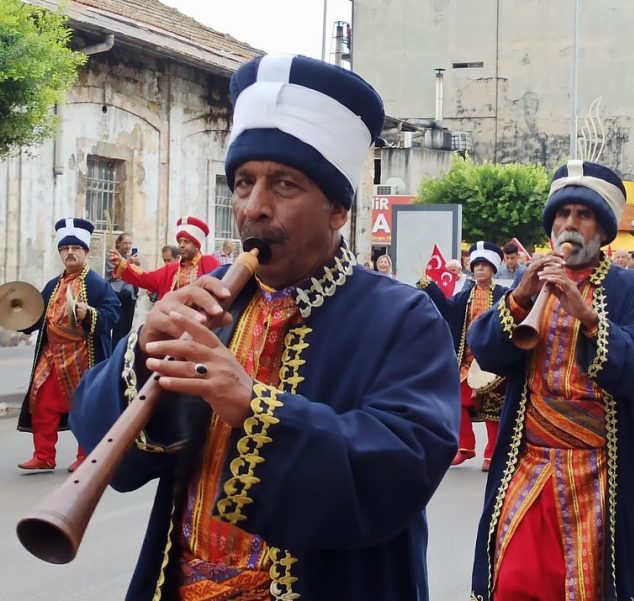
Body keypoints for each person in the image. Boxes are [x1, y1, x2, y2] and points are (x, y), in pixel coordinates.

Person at [70, 54, 459, 600]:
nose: (254, 208)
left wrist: (253, 406)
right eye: (244, 183)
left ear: (338, 210)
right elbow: (102, 443)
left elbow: (404, 462)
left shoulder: (403, 316)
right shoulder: (210, 304)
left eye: (284, 185)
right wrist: (142, 350)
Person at [468, 160, 634, 601]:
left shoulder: (630, 289)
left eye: (583, 215)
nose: (569, 224)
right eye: (562, 214)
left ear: (603, 230)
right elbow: (487, 353)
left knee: (584, 586)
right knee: (514, 579)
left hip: (597, 467)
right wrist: (517, 298)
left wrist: (587, 316)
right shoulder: (528, 282)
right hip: (530, 459)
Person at [17, 218, 120, 472]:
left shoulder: (97, 284)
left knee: (84, 405)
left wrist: (89, 313)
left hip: (83, 353)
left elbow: (113, 313)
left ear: (86, 251)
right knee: (41, 402)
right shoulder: (53, 285)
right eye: (65, 249)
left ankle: (86, 455)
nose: (70, 253)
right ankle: (43, 455)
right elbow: (37, 316)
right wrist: (19, 317)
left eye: (75, 248)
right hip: (51, 354)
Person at [420, 241, 507, 472]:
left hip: (492, 361)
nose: (479, 269)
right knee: (459, 402)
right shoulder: (465, 296)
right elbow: (447, 310)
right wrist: (430, 286)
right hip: (467, 361)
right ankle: (466, 447)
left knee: (493, 410)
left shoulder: (503, 295)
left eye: (484, 266)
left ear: (493, 269)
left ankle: (492, 454)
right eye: (476, 265)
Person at [109, 216, 220, 301]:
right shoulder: (170, 270)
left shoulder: (209, 262)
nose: (181, 245)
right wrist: (122, 263)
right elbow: (144, 278)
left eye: (186, 241)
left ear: (196, 246)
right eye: (179, 241)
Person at [106, 232, 140, 345]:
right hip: (118, 294)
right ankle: (115, 354)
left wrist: (135, 266)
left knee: (127, 327)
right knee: (118, 328)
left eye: (130, 243)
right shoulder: (112, 255)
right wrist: (129, 263)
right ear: (118, 243)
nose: (128, 246)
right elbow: (114, 275)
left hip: (130, 295)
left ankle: (122, 351)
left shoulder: (128, 257)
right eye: (125, 243)